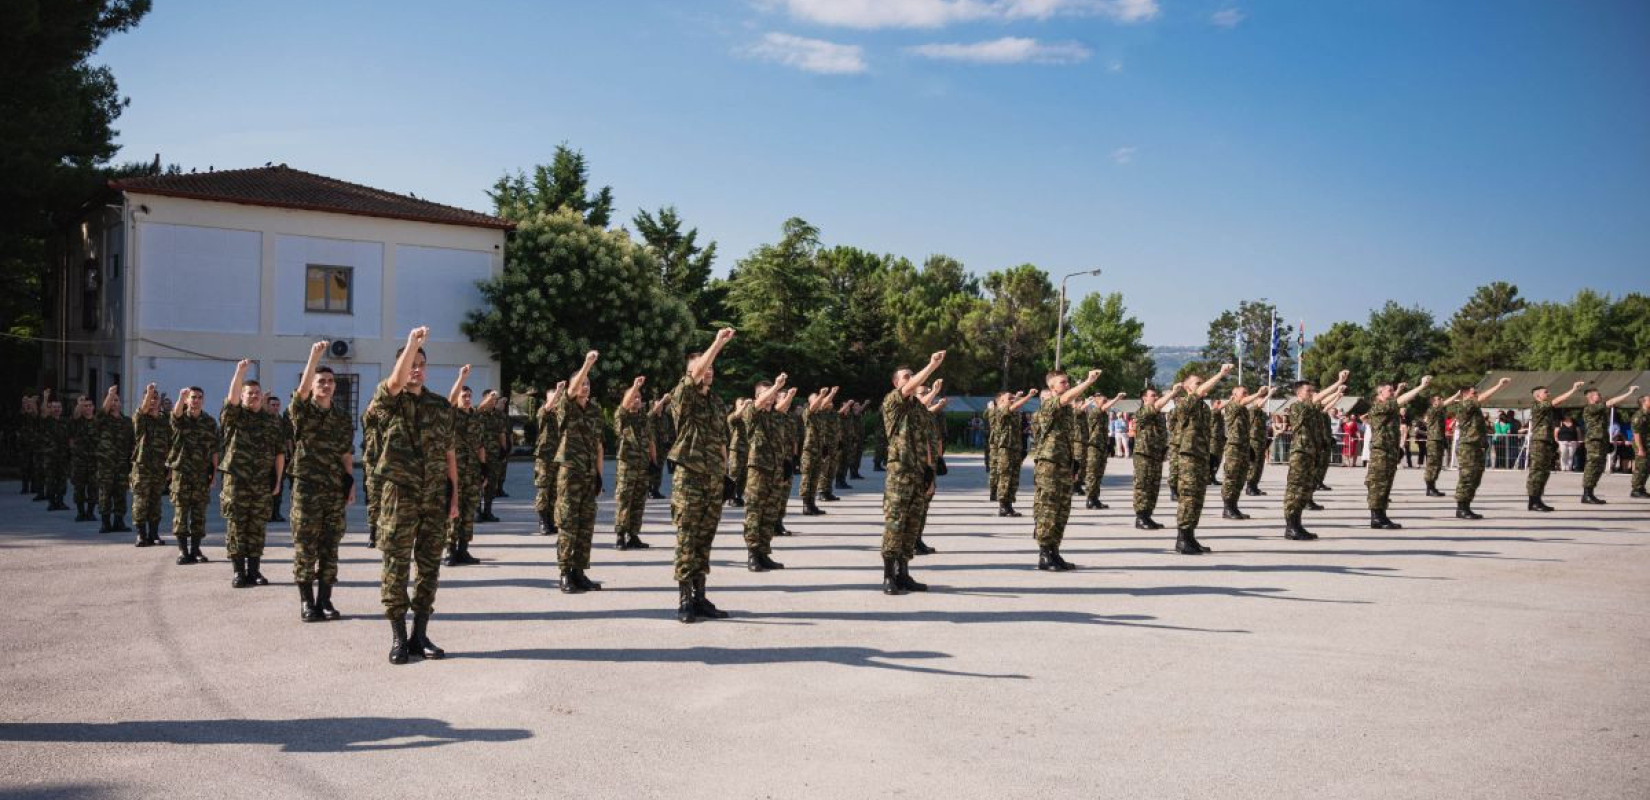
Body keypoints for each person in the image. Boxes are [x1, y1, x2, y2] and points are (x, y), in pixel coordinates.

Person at [369, 327, 458, 665]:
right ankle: (399, 638)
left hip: (434, 498)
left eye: (421, 363)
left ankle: (420, 634)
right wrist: (412, 344)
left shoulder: (439, 406)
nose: (415, 369)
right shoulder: (388, 401)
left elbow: (450, 454)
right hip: (399, 497)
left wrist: (455, 498)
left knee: (429, 568)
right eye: (410, 364)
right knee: (395, 567)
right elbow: (393, 383)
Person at [670, 327, 737, 623]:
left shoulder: (716, 402)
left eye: (712, 369)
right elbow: (695, 373)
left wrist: (726, 474)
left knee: (704, 540)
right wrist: (718, 343)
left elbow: (722, 440)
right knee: (687, 539)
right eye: (703, 368)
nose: (708, 372)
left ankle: (700, 597)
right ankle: (684, 599)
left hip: (712, 478)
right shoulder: (683, 395)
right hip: (690, 479)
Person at [289, 341, 356, 622]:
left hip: (333, 489)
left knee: (330, 546)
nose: (326, 385)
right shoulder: (304, 411)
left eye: (330, 381)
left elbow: (346, 453)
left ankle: (325, 600)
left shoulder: (341, 418)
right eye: (321, 381)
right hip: (307, 489)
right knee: (306, 546)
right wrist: (313, 357)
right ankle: (307, 603)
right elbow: (302, 392)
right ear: (313, 386)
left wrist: (350, 483)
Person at [879, 351, 945, 596]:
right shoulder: (892, 402)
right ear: (897, 384)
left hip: (919, 475)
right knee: (895, 525)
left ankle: (903, 573)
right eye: (906, 377)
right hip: (899, 475)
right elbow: (911, 388)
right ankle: (889, 575)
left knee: (911, 526)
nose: (911, 379)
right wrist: (931, 365)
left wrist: (930, 472)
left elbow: (927, 441)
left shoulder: (919, 410)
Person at [220, 362, 285, 588]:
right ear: (243, 395)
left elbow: (279, 453)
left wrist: (278, 480)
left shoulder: (271, 421)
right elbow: (232, 398)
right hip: (237, 481)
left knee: (257, 526)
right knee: (237, 526)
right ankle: (238, 572)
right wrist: (240, 373)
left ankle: (254, 571)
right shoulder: (235, 415)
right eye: (250, 393)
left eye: (257, 393)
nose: (254, 396)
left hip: (261, 483)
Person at [1031, 368, 1102, 570]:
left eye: (1067, 382)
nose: (1067, 385)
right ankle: (1044, 554)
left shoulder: (1067, 410)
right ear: (1052, 387)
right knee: (1049, 509)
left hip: (1063, 464)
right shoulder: (1049, 405)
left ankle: (1054, 551)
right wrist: (1088, 382)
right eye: (1062, 382)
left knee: (1062, 510)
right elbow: (1066, 398)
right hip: (1049, 465)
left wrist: (1073, 462)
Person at [1170, 364, 1235, 555]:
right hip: (1189, 457)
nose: (1202, 386)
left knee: (1198, 499)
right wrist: (1221, 374)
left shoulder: (1204, 408)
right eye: (1197, 383)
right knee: (1188, 498)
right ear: (1188, 387)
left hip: (1200, 456)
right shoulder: (1185, 403)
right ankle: (1182, 539)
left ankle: (1190, 536)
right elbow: (1201, 391)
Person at [555, 351, 605, 593]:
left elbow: (598, 445)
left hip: (588, 475)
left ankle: (579, 571)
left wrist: (599, 475)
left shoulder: (595, 412)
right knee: (568, 524)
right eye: (581, 383)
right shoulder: (567, 406)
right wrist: (586, 364)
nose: (584, 387)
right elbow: (571, 391)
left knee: (586, 525)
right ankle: (564, 572)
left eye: (588, 383)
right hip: (570, 474)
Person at [1282, 370, 1350, 541]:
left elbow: (1323, 404)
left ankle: (1297, 525)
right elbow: (1319, 400)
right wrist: (1337, 382)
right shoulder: (1296, 407)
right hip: (1300, 453)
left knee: (1304, 490)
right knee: (1295, 490)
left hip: (1310, 453)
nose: (1312, 393)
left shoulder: (1310, 407)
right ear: (1299, 393)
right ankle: (1291, 527)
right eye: (1309, 391)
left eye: (1313, 391)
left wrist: (1337, 393)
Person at [1364, 377, 1430, 529]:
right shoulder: (1378, 407)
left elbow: (1395, 400)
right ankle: (1376, 517)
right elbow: (1400, 401)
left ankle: (1382, 515)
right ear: (1380, 393)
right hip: (1380, 451)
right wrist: (1420, 387)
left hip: (1389, 449)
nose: (1392, 392)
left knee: (1386, 484)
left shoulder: (1388, 406)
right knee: (1378, 484)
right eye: (1390, 390)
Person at [741, 375, 791, 571]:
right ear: (756, 396)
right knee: (755, 513)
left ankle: (764, 553)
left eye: (773, 394)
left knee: (770, 514)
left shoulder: (777, 416)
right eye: (765, 394)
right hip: (758, 472)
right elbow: (759, 403)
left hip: (776, 472)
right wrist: (777, 386)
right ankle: (752, 554)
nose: (770, 397)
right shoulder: (752, 412)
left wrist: (786, 462)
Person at [167, 386, 218, 565]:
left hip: (201, 474)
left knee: (198, 515)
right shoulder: (181, 419)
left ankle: (196, 550)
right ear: (188, 400)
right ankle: (183, 551)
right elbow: (176, 414)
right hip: (182, 473)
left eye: (198, 397)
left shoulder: (210, 422)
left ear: (203, 400)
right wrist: (181, 396)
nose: (195, 400)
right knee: (181, 513)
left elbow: (214, 450)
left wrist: (214, 473)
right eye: (192, 397)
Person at [1450, 377, 1511, 520]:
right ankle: (1461, 507)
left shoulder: (1474, 408)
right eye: (1473, 393)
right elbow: (1484, 397)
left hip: (1477, 445)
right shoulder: (1465, 405)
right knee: (1467, 477)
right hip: (1468, 447)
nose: (1476, 395)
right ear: (1465, 395)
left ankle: (1467, 505)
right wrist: (1498, 385)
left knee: (1476, 477)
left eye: (1476, 393)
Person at [444, 376, 486, 566]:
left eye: (469, 396)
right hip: (455, 471)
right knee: (454, 512)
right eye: (464, 396)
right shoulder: (452, 414)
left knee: (469, 512)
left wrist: (484, 468)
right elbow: (451, 398)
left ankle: (463, 549)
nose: (467, 399)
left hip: (473, 472)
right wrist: (461, 378)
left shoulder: (475, 418)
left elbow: (480, 445)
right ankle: (449, 551)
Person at [1525, 381, 1585, 512]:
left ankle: (1537, 499)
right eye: (1545, 392)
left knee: (1544, 472)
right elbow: (1557, 401)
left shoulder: (1545, 408)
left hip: (1546, 441)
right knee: (1537, 472)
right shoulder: (1537, 406)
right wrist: (1573, 389)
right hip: (1539, 442)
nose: (1549, 394)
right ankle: (1533, 501)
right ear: (1538, 396)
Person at [613, 375, 657, 552]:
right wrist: (634, 386)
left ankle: (633, 534)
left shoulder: (644, 418)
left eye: (639, 397)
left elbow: (651, 440)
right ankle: (620, 535)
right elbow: (623, 408)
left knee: (639, 502)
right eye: (634, 397)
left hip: (642, 466)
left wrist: (654, 462)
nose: (637, 400)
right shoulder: (622, 417)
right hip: (627, 468)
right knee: (624, 501)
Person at [1220, 385, 1273, 520]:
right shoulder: (1231, 406)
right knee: (1231, 478)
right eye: (1243, 393)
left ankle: (1234, 505)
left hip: (1244, 446)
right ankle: (1227, 507)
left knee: (1240, 478)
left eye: (1247, 393)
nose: (1246, 395)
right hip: (1234, 447)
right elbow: (1245, 402)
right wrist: (1259, 393)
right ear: (1234, 395)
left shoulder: (1244, 410)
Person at [1132, 384, 1181, 530]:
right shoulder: (1142, 411)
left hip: (1155, 455)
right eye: (1153, 395)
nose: (1156, 398)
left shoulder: (1158, 414)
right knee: (1143, 486)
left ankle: (1148, 515)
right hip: (1144, 454)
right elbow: (1157, 406)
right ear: (1144, 398)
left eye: (1156, 395)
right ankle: (1140, 517)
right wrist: (1172, 393)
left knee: (1154, 487)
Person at [1580, 385, 1639, 505]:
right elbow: (1611, 402)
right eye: (1597, 394)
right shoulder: (1590, 408)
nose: (1600, 396)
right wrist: (1629, 392)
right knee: (1592, 466)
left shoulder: (1599, 409)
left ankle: (1590, 493)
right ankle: (1587, 494)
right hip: (1594, 441)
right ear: (1590, 397)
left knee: (1599, 467)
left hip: (1601, 440)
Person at [130, 384, 171, 546]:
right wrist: (149, 391)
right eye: (149, 399)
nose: (153, 402)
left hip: (159, 467)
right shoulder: (141, 417)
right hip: (142, 468)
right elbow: (143, 408)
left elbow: (170, 444)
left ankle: (154, 534)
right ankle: (141, 534)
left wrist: (170, 468)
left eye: (155, 399)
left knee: (156, 502)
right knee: (141, 501)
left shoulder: (164, 420)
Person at [990, 389, 1035, 517]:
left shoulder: (1015, 413)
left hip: (1015, 448)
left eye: (1013, 397)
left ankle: (1009, 505)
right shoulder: (1000, 410)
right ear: (1001, 401)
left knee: (1014, 478)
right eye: (1009, 398)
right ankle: (1003, 505)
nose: (1012, 399)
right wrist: (1028, 396)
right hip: (1005, 449)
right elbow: (1013, 406)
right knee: (1005, 477)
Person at [95, 386, 135, 531]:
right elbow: (101, 414)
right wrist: (110, 394)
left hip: (122, 464)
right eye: (111, 400)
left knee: (120, 494)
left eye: (116, 400)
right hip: (106, 464)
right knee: (105, 493)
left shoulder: (127, 422)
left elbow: (132, 443)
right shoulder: (102, 420)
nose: (114, 403)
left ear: (120, 403)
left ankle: (119, 521)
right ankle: (105, 522)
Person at [799, 386, 839, 516]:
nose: (820, 400)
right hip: (809, 451)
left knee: (815, 478)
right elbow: (815, 405)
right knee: (807, 478)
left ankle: (812, 503)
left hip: (819, 449)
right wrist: (822, 395)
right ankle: (806, 504)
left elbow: (825, 403)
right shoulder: (808, 412)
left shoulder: (821, 414)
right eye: (815, 399)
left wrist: (832, 393)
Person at [532, 382, 565, 537]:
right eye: (553, 399)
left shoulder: (561, 414)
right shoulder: (543, 412)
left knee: (556, 491)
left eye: (558, 398)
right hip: (544, 457)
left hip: (559, 457)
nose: (556, 401)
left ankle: (552, 520)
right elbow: (546, 408)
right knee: (544, 490)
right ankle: (542, 521)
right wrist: (558, 391)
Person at [1083, 393, 1126, 510]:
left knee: (1099, 474)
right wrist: (1117, 398)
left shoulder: (1103, 414)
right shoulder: (1095, 412)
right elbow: (1104, 407)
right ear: (1096, 401)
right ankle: (1090, 499)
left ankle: (1095, 498)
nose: (1106, 402)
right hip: (1094, 447)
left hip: (1101, 446)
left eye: (1106, 400)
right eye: (1103, 400)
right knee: (1092, 474)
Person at [1422, 393, 1458, 496]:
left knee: (1437, 465)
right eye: (1438, 399)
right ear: (1433, 402)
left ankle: (1432, 487)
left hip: (1438, 439)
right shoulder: (1432, 410)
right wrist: (1456, 395)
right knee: (1432, 465)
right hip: (1433, 440)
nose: (1441, 400)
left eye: (1441, 399)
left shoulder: (1439, 411)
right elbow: (1444, 404)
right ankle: (1430, 488)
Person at [68, 394, 97, 522]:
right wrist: (79, 403)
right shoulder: (77, 421)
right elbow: (75, 416)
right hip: (79, 461)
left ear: (93, 407)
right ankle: (80, 513)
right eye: (85, 406)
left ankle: (90, 512)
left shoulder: (98, 422)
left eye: (90, 406)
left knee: (93, 488)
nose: (88, 408)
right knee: (79, 488)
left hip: (94, 461)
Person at [39, 391, 69, 511]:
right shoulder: (47, 420)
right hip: (50, 456)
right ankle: (52, 502)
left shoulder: (65, 422)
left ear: (61, 409)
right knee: (50, 479)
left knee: (62, 479)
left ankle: (60, 501)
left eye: (58, 407)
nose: (56, 409)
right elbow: (43, 411)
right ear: (51, 409)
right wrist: (45, 398)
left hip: (62, 455)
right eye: (54, 407)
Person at [265, 395, 292, 524]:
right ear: (267, 405)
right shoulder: (263, 420)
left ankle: (276, 512)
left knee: (278, 485)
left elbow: (287, 438)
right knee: (266, 486)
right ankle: (267, 513)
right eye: (273, 405)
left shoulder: (281, 420)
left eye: (277, 405)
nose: (275, 407)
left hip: (280, 458)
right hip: (266, 458)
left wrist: (289, 454)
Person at [361, 402, 384, 548]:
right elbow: (368, 414)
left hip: (390, 465)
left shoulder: (389, 421)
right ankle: (372, 533)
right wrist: (377, 399)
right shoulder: (369, 421)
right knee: (374, 501)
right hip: (373, 466)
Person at [1245, 396, 1273, 496]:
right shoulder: (1252, 411)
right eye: (1260, 399)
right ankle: (1249, 487)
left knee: (1259, 466)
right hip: (1253, 442)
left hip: (1261, 441)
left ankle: (1254, 486)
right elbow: (1258, 406)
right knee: (1253, 466)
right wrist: (1269, 394)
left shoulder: (1262, 414)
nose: (1263, 402)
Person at [725, 398, 749, 507]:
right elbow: (734, 418)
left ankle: (739, 496)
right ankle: (731, 497)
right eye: (740, 404)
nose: (743, 406)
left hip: (748, 450)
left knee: (744, 475)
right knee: (734, 474)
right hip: (737, 450)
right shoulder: (733, 417)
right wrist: (743, 406)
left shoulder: (749, 417)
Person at [1631, 395, 1649, 499]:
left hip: (1647, 444)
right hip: (1641, 444)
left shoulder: (1647, 414)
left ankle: (1641, 488)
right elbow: (1636, 433)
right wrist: (1640, 449)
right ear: (1643, 402)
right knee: (1641, 467)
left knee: (1646, 468)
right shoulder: (1639, 415)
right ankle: (1636, 489)